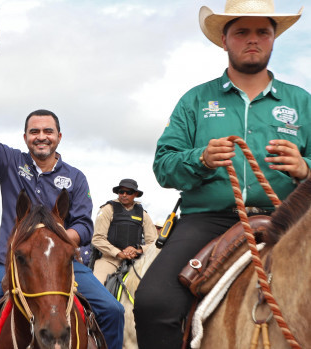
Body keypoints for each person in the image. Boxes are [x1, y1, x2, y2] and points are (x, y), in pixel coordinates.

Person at [133, 1, 310, 347]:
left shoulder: (302, 102)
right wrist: (201, 158)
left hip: (289, 220)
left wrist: (306, 167)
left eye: (262, 32)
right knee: (153, 302)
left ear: (274, 39)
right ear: (224, 40)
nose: (253, 39)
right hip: (207, 220)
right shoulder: (195, 100)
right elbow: (163, 165)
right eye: (241, 31)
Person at [0, 91, 125, 349]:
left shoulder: (76, 177)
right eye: (34, 132)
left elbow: (84, 226)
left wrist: (54, 244)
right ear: (25, 138)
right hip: (10, 264)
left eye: (48, 131)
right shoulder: (10, 163)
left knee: (114, 311)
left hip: (65, 265)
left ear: (58, 137)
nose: (41, 136)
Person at [91, 179, 157, 284]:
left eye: (129, 192)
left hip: (136, 261)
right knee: (96, 287)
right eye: (121, 192)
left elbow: (154, 242)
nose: (124, 195)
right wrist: (119, 253)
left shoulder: (143, 214)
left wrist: (138, 250)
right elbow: (98, 239)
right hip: (110, 260)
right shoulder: (107, 209)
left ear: (135, 194)